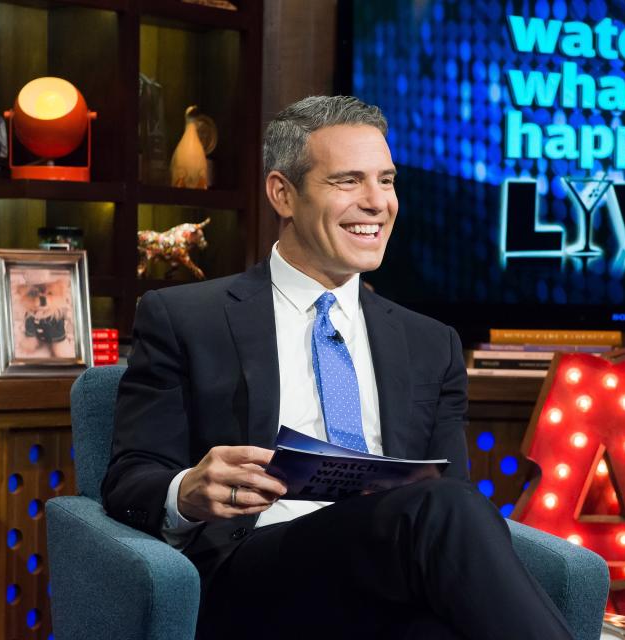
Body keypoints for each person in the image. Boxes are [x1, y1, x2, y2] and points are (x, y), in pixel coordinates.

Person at [102, 96, 575, 639]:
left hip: (393, 575)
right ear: (283, 193)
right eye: (348, 181)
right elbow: (127, 478)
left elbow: (452, 503)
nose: (378, 202)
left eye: (387, 180)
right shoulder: (186, 317)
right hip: (254, 573)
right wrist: (185, 490)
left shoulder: (431, 343)